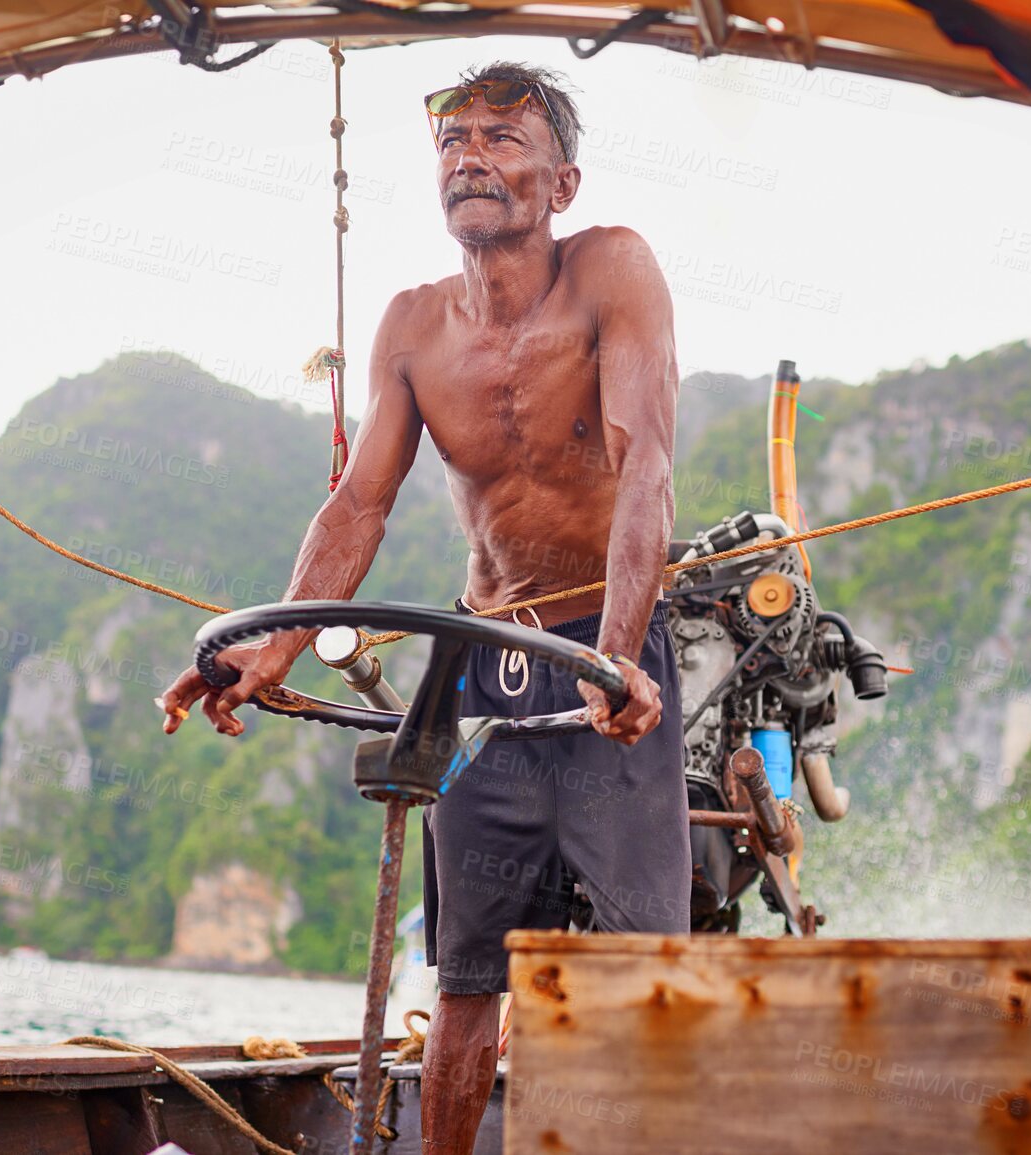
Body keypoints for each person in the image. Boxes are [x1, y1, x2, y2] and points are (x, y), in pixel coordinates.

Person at [155, 60, 687, 1153]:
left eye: (503, 137)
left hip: (606, 649)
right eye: (455, 141)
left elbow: (646, 469)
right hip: (480, 658)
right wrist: (265, 650)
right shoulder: (411, 326)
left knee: (643, 962)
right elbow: (357, 508)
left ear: (562, 182)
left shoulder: (613, 271)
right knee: (465, 974)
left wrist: (621, 662)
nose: (471, 156)